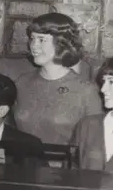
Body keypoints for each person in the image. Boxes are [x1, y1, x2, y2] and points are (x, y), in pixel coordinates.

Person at [13, 12, 102, 145]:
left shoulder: (86, 90)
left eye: (41, 40)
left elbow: (94, 144)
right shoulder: (22, 82)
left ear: (61, 43)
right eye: (32, 38)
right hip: (22, 164)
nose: (33, 45)